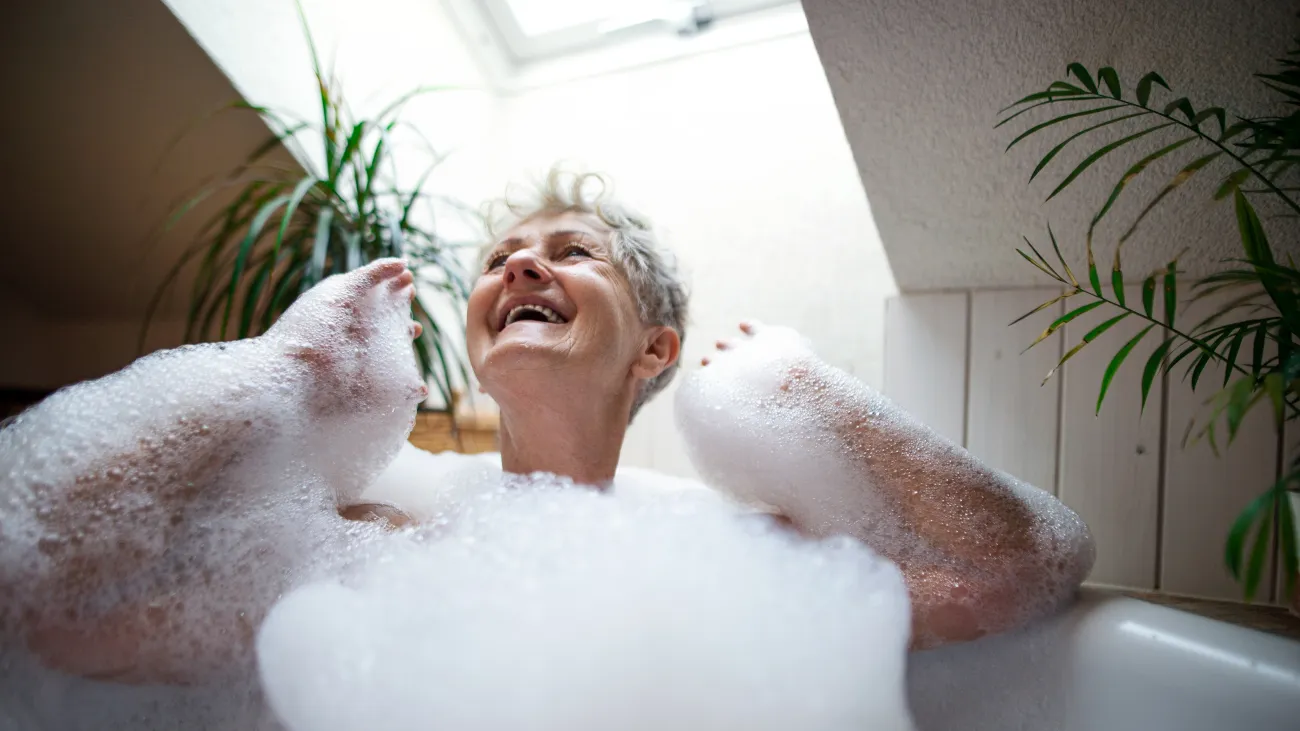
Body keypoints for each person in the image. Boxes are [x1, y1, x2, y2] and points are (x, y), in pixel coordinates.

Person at [0, 169, 1092, 686]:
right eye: (499, 262)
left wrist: (813, 394)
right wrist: (274, 381)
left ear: (656, 349)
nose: (521, 264)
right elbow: (47, 611)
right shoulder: (371, 537)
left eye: (573, 253)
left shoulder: (748, 560)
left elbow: (1011, 570)